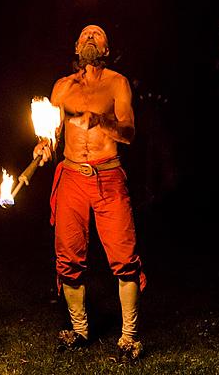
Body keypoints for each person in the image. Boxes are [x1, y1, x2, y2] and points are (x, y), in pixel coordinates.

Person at [33, 24, 146, 361]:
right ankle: (80, 330)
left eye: (97, 36)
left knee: (125, 258)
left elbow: (128, 133)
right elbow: (51, 136)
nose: (90, 39)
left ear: (107, 49)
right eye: (84, 36)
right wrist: (43, 147)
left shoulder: (117, 83)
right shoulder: (61, 87)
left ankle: (129, 337)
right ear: (76, 46)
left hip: (108, 176)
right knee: (68, 258)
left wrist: (102, 122)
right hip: (70, 177)